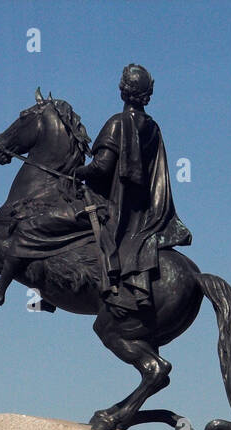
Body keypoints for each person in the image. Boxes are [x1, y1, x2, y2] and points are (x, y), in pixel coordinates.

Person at [78, 63, 192, 318]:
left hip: (121, 210)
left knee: (73, 224)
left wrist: (77, 171)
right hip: (146, 209)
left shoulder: (117, 123)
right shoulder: (152, 127)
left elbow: (102, 167)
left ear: (123, 90)